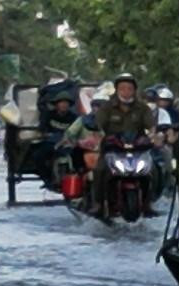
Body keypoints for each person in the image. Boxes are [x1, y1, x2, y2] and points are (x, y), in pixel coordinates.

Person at [67, 74, 157, 207]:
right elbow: (98, 124)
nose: (126, 92)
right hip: (112, 148)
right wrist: (96, 136)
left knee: (153, 170)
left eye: (129, 88)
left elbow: (151, 126)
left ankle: (149, 203)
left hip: (137, 148)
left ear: (134, 90)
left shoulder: (143, 108)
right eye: (122, 88)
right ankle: (98, 204)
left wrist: (154, 135)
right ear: (117, 90)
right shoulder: (107, 108)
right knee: (99, 171)